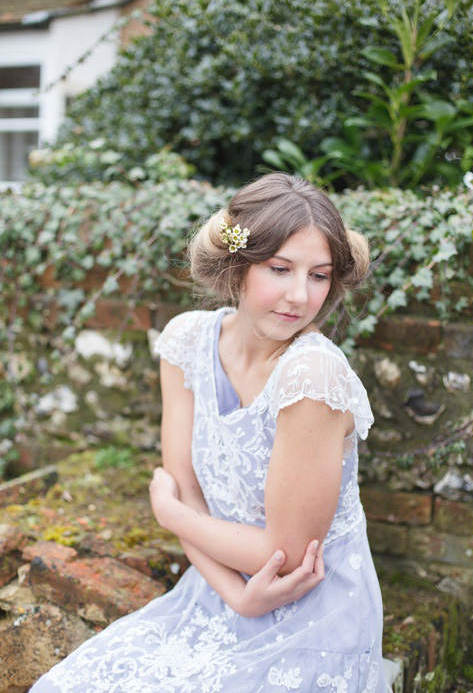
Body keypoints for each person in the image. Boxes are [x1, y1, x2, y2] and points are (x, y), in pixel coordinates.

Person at [31, 173, 388, 692]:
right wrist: (235, 595)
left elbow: (283, 555)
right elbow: (189, 489)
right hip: (215, 590)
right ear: (237, 266)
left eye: (319, 275)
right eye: (280, 269)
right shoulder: (187, 343)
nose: (299, 295)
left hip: (308, 614)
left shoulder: (313, 378)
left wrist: (167, 512)